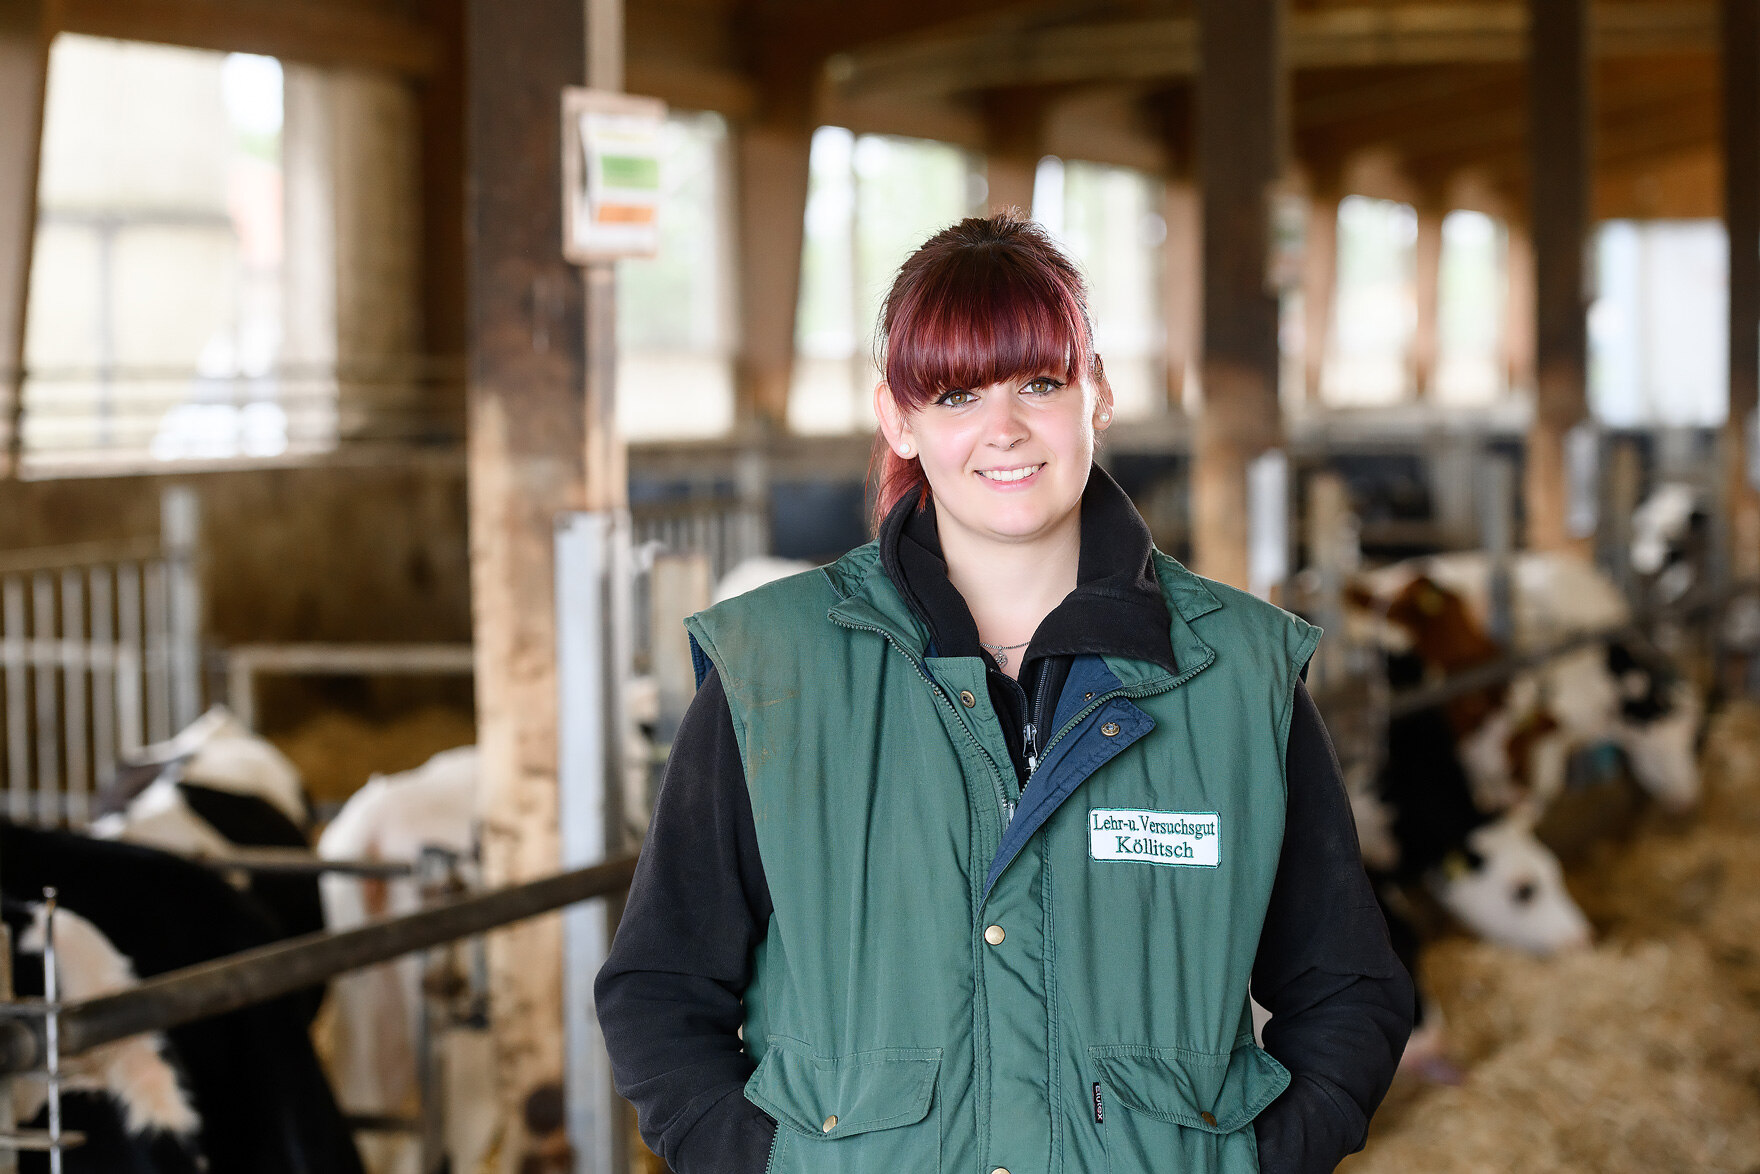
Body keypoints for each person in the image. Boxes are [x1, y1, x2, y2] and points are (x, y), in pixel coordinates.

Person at [596, 213, 1413, 1174]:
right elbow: (660, 986)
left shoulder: (1236, 674)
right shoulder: (776, 674)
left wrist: (1257, 1161)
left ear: (1095, 395)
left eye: (1039, 382)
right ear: (897, 418)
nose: (1005, 430)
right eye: (954, 394)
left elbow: (1349, 989)